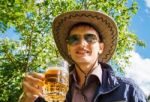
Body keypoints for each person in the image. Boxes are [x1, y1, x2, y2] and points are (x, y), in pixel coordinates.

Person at [19, 10, 147, 102]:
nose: (82, 44)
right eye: (74, 39)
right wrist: (26, 99)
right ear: (69, 49)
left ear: (101, 48)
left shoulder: (128, 90)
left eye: (90, 38)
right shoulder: (48, 91)